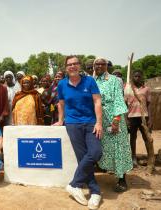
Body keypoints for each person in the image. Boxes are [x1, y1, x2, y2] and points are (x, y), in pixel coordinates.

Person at [54, 55, 103, 209]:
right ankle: (95, 192)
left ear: (79, 66)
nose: (73, 66)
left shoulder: (89, 81)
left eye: (75, 63)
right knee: (82, 158)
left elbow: (97, 101)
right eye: (69, 64)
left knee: (96, 152)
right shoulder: (62, 85)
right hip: (73, 125)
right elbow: (61, 104)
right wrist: (61, 121)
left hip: (90, 124)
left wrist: (99, 123)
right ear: (66, 67)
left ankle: (74, 184)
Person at [94, 57, 133, 192]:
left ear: (107, 66)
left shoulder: (114, 80)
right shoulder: (93, 81)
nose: (98, 66)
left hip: (112, 117)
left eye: (101, 64)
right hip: (99, 119)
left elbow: (118, 99)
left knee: (118, 147)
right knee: (104, 147)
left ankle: (122, 179)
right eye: (96, 64)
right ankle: (104, 171)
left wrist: (116, 120)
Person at [124, 70, 152, 166]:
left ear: (142, 77)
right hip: (132, 117)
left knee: (147, 138)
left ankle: (150, 157)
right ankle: (133, 157)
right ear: (132, 77)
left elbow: (148, 105)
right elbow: (125, 105)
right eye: (135, 76)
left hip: (144, 117)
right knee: (133, 138)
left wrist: (150, 119)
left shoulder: (146, 89)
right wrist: (126, 119)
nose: (137, 78)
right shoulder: (128, 89)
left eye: (139, 76)